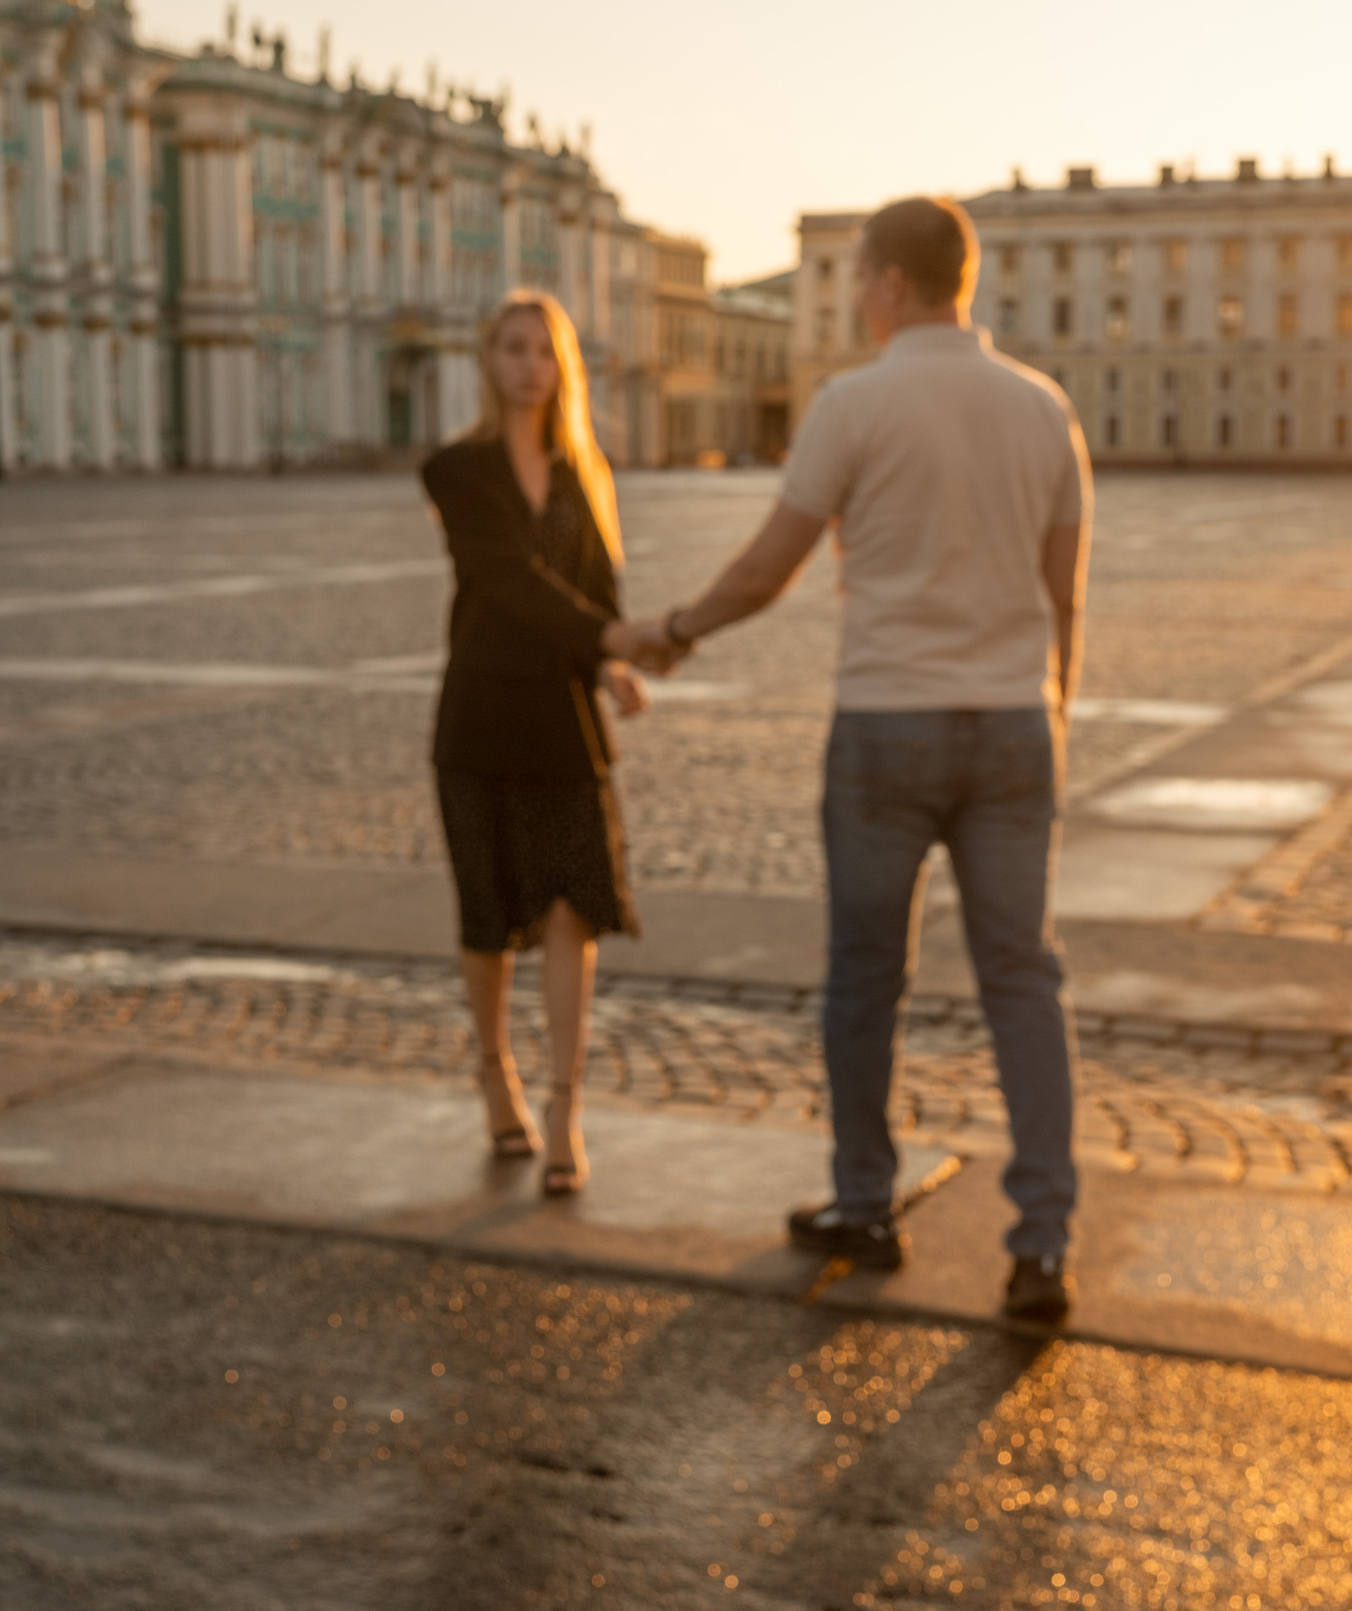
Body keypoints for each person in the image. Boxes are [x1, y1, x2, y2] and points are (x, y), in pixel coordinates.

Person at [623, 196, 1092, 1324]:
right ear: (964, 280)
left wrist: (675, 629)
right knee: (1023, 979)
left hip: (887, 726)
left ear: (887, 281)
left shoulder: (854, 403)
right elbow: (1064, 590)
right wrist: (1051, 712)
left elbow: (769, 568)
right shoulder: (1044, 408)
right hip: (1011, 724)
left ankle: (865, 1203)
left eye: (860, 282)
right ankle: (1040, 1246)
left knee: (865, 976)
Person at [423, 290, 654, 1198]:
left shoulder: (581, 472)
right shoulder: (456, 471)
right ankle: (495, 1074)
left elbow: (595, 589)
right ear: (489, 360)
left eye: (543, 351)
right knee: (488, 920)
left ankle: (565, 1106)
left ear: (563, 368)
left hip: (564, 721)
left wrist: (611, 662)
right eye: (513, 348)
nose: (528, 365)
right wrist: (612, 642)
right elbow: (509, 584)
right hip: (479, 718)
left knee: (572, 913)